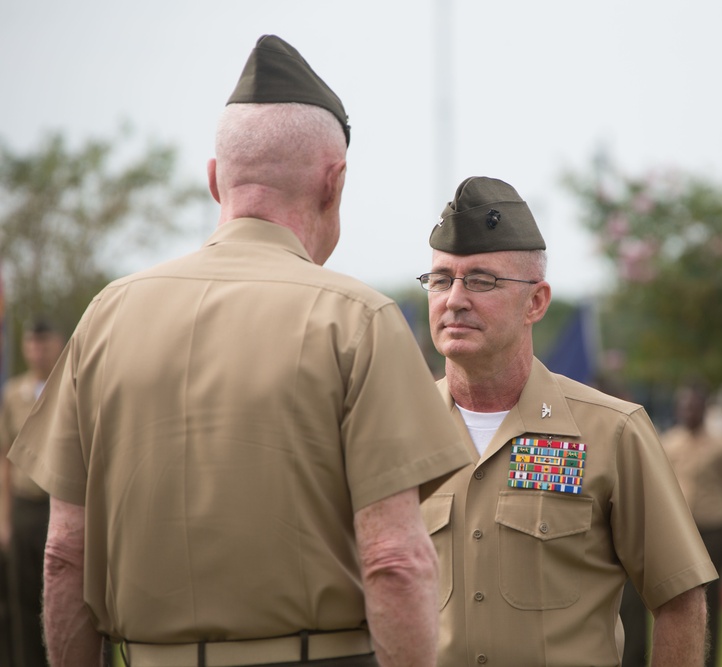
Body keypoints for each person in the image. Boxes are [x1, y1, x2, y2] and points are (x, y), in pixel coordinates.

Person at [8, 35, 471, 667]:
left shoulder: (105, 317)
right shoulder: (359, 320)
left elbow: (63, 555)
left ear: (213, 181)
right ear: (334, 184)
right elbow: (393, 561)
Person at [418, 176, 717, 666]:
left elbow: (679, 598)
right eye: (441, 278)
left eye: (481, 280)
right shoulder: (395, 431)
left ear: (535, 301)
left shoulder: (612, 431)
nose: (454, 299)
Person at [660, 380, 722, 667]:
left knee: (712, 605)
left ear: (704, 408)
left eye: (693, 405)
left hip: (713, 531)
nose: (688, 410)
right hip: (681, 533)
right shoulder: (669, 443)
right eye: (684, 405)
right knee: (678, 602)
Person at [0, 319, 64, 667]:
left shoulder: (70, 385)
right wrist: (4, 519)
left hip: (62, 502)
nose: (38, 351)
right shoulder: (13, 393)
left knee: (67, 596)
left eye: (45, 343)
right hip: (25, 506)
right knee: (23, 600)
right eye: (32, 344)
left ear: (59, 344)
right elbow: (5, 457)